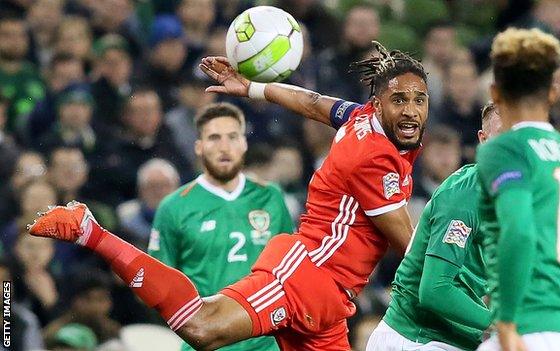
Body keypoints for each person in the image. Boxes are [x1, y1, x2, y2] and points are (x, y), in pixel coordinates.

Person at [28, 41, 428, 350]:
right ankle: (89, 231)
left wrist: (253, 87)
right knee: (201, 327)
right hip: (308, 275)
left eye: (419, 100)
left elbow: (312, 103)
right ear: (379, 104)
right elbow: (410, 248)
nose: (411, 111)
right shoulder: (373, 157)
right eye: (399, 100)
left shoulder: (363, 119)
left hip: (329, 300)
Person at [475, 28, 560, 351]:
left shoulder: (507, 148)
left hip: (526, 329)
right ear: (553, 92)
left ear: (495, 93)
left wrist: (507, 322)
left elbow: (519, 231)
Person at [149, 102, 294, 351]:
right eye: (214, 138)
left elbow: (290, 270)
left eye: (233, 137)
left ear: (244, 143)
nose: (225, 147)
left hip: (267, 342)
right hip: (205, 342)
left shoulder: (270, 197)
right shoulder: (174, 207)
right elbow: (158, 284)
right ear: (199, 146)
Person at [366, 103, 501, 351]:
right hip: (417, 338)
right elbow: (435, 289)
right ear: (483, 141)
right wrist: (500, 324)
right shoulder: (466, 196)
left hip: (452, 339)